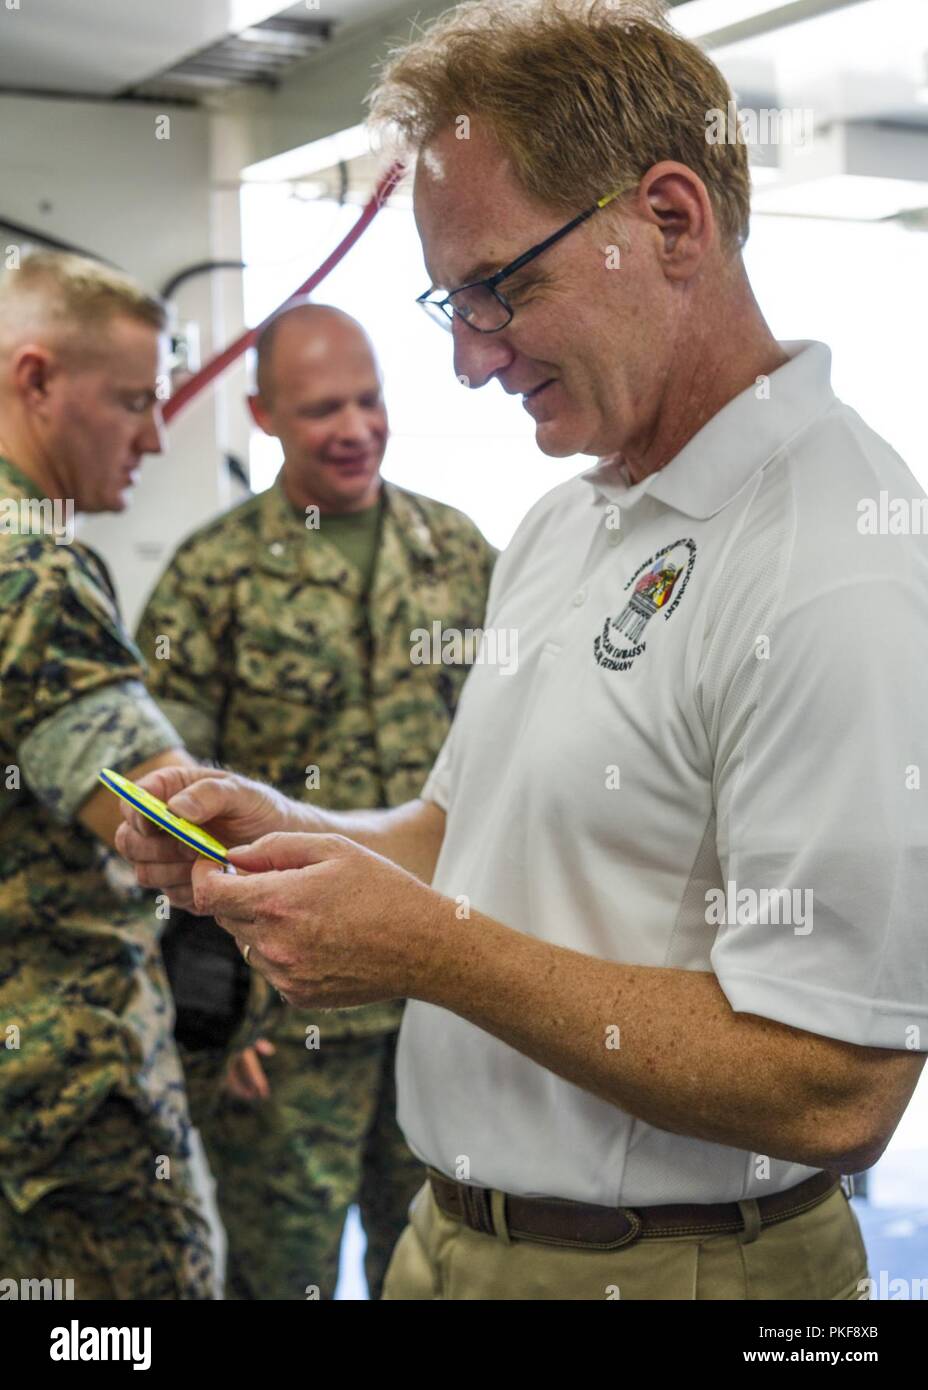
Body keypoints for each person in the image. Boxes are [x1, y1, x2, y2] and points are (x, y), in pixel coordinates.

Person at [116, 0, 928, 1301]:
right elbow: (465, 831)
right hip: (459, 1239)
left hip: (677, 1270)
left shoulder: (838, 557)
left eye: (504, 287)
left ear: (671, 220)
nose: (466, 358)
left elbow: (838, 1085)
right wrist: (275, 824)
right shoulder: (572, 515)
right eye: (451, 296)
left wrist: (429, 949)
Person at [134, 301, 495, 1299]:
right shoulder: (215, 577)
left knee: (438, 1268)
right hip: (282, 1014)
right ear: (263, 416)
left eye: (370, 400)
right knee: (280, 1278)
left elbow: (513, 775)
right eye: (323, 407)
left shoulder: (459, 555)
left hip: (440, 993)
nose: (355, 427)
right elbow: (166, 808)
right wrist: (210, 1006)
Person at [0, 252, 212, 1298]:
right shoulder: (31, 567)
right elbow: (169, 826)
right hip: (66, 1115)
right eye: (132, 401)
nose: (156, 436)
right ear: (35, 380)